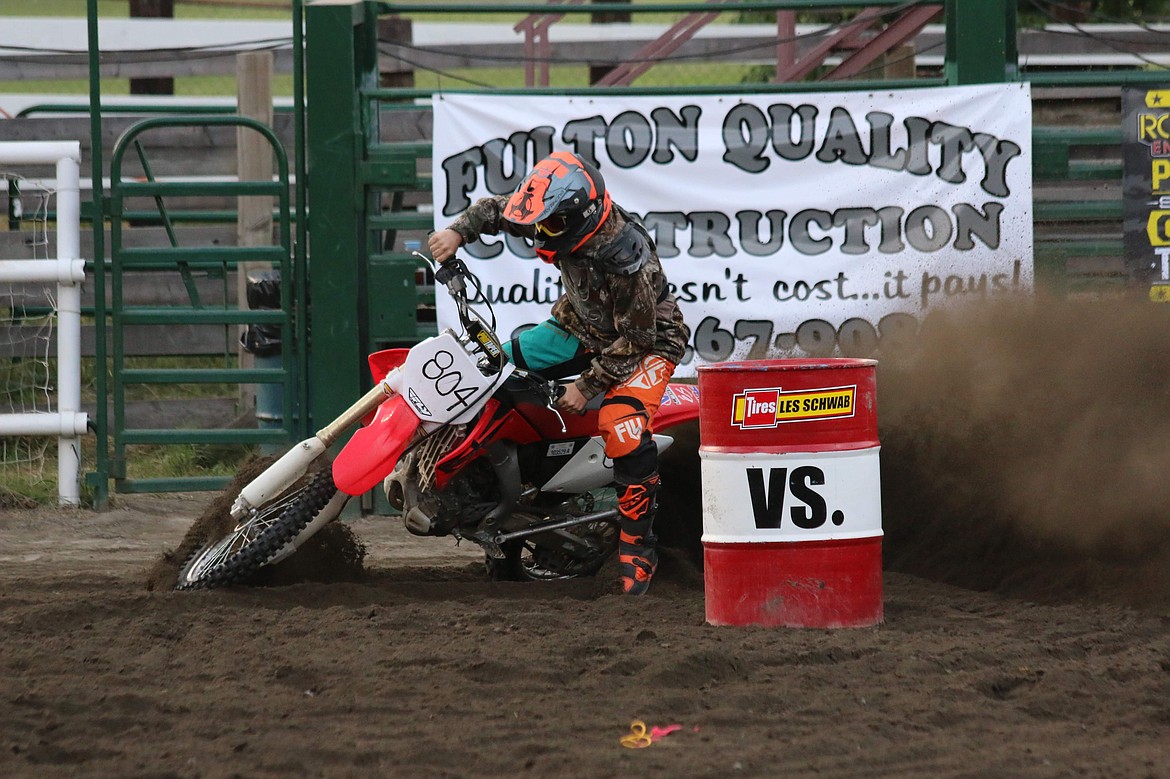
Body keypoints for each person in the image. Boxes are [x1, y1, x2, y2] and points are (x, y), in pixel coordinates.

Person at [428, 151, 690, 595]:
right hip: (580, 325)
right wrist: (458, 231)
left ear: (578, 219)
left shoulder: (625, 257)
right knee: (489, 367)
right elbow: (499, 209)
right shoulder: (553, 213)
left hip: (647, 343)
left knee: (621, 427)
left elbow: (638, 339)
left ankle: (638, 550)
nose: (538, 236)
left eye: (548, 228)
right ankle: (499, 497)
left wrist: (587, 385)